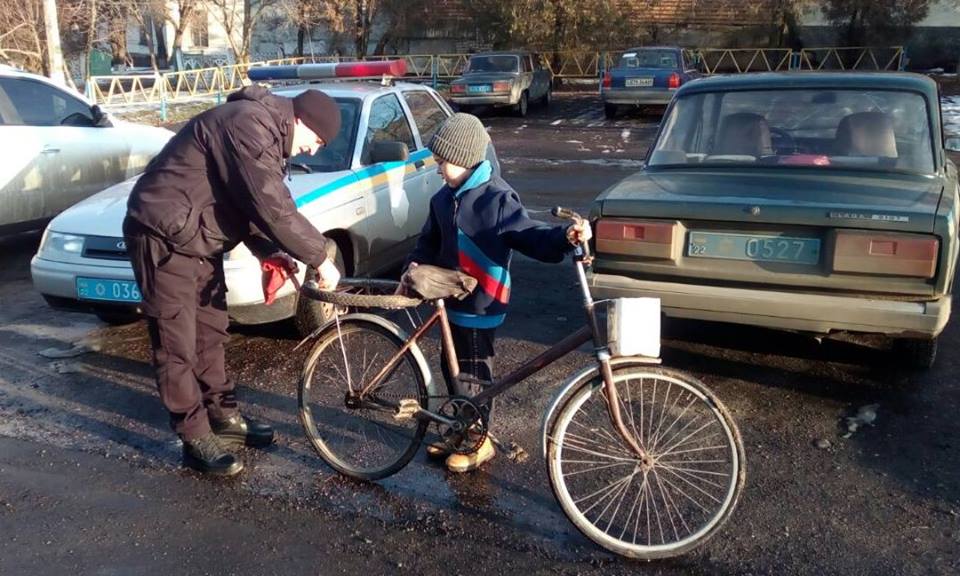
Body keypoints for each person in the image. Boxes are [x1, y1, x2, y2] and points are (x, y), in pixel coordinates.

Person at [124, 86, 342, 476]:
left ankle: (223, 419)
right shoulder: (249, 124)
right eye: (317, 140)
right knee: (177, 341)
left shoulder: (264, 131)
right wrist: (320, 257)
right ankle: (194, 435)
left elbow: (243, 204)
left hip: (195, 237)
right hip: (161, 234)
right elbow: (271, 206)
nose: (314, 150)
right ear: (299, 120)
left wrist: (266, 250)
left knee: (211, 332)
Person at [401, 113, 590, 473]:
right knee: (453, 369)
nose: (438, 169)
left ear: (466, 158)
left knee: (475, 375)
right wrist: (414, 264)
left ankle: (479, 441)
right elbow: (428, 241)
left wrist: (563, 237)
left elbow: (529, 233)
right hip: (448, 300)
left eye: (443, 162)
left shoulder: (497, 198)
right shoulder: (443, 199)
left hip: (482, 303)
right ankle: (462, 428)